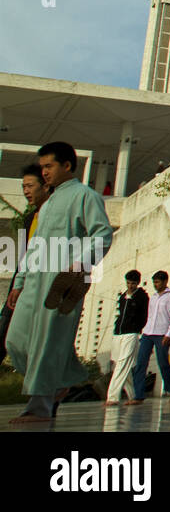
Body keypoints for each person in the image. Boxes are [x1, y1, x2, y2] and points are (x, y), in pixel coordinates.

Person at [5, 141, 114, 424]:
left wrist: (79, 265)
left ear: (67, 165)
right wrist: (20, 282)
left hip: (62, 284)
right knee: (15, 340)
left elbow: (102, 235)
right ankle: (65, 378)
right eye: (41, 168)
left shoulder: (85, 196)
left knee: (47, 343)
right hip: (34, 283)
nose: (44, 173)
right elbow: (36, 245)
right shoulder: (50, 200)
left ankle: (38, 407)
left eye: (48, 166)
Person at [0, 165, 50, 363]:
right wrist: (17, 284)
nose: (26, 191)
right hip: (21, 287)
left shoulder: (56, 216)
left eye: (30, 186)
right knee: (5, 335)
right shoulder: (30, 218)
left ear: (45, 186)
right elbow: (24, 256)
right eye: (23, 187)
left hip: (43, 290)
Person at [128, 270, 170, 403]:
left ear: (165, 282)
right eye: (154, 282)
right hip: (148, 333)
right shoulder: (153, 297)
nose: (155, 285)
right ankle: (138, 395)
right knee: (140, 364)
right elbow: (150, 316)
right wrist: (143, 332)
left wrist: (169, 334)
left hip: (162, 334)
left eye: (157, 282)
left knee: (163, 363)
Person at [104, 270, 148, 406]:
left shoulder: (142, 297)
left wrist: (136, 328)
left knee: (123, 363)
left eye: (133, 283)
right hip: (119, 333)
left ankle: (112, 397)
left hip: (132, 334)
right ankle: (133, 395)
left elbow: (144, 316)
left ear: (138, 283)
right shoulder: (123, 297)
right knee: (119, 364)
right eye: (128, 283)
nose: (130, 286)